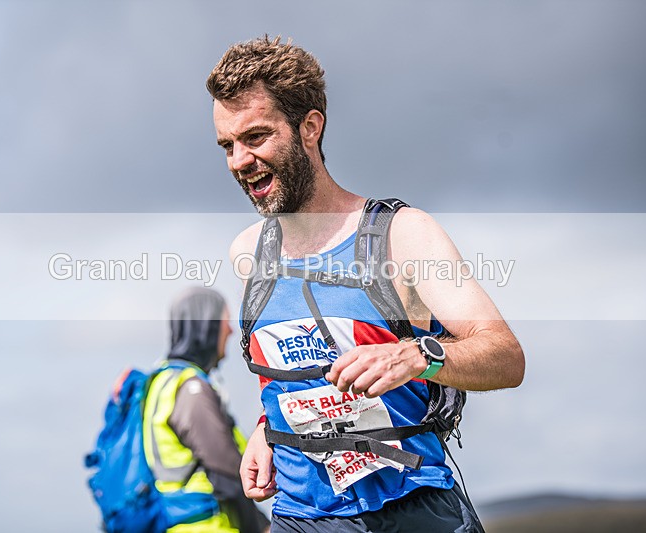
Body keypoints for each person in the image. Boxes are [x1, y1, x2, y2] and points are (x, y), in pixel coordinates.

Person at [206, 36, 525, 532]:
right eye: (228, 145)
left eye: (256, 137)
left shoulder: (403, 234)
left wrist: (418, 355)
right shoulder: (248, 252)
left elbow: (505, 356)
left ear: (310, 127)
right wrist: (268, 428)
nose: (239, 161)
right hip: (301, 516)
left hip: (411, 510)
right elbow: (294, 367)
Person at [144, 287, 270, 532]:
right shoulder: (191, 389)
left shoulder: (161, 381)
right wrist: (261, 527)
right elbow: (229, 474)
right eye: (225, 321)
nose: (232, 330)